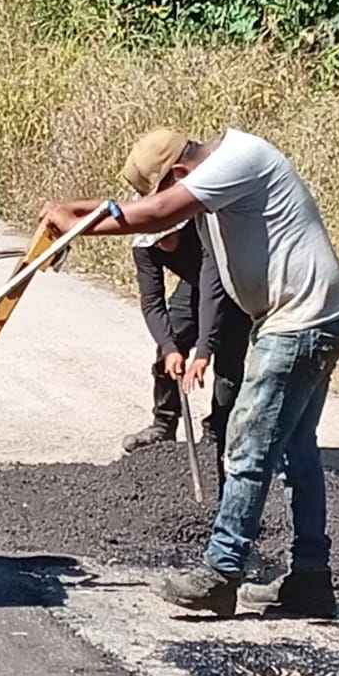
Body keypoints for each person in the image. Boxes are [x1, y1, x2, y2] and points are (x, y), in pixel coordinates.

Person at [42, 128, 339, 618]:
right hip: (315, 316)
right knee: (296, 453)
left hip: (300, 323)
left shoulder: (239, 160)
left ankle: (221, 572)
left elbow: (158, 212)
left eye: (166, 188)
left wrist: (76, 228)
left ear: (179, 173)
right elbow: (143, 206)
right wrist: (71, 209)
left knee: (247, 448)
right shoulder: (219, 169)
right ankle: (310, 581)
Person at [122, 204, 251, 488]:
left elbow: (213, 294)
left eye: (167, 237)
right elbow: (152, 302)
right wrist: (169, 348)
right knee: (171, 343)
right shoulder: (144, 247)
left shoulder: (203, 230)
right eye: (157, 240)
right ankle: (163, 426)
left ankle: (218, 433)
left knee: (228, 364)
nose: (162, 244)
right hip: (195, 284)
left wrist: (204, 352)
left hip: (235, 283)